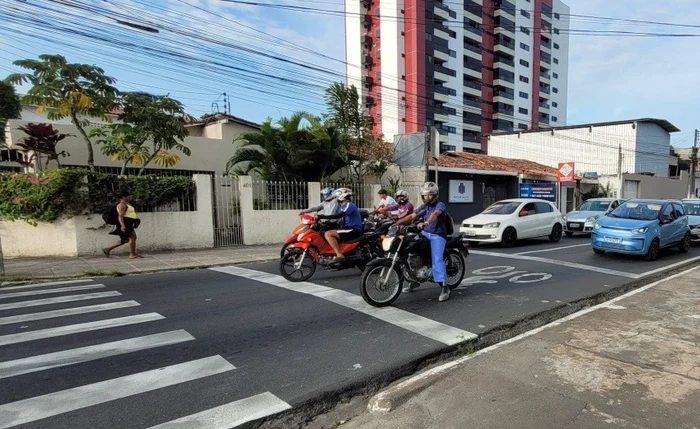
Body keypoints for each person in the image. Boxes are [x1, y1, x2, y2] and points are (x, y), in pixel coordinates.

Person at [396, 182, 450, 302]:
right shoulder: (424, 206)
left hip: (438, 235)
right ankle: (414, 280)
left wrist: (426, 223)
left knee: (437, 259)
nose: (427, 197)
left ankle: (445, 287)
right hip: (425, 234)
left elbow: (435, 214)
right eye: (425, 195)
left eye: (430, 195)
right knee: (411, 252)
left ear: (435, 195)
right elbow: (412, 216)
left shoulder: (440, 205)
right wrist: (398, 223)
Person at [316, 188, 364, 262]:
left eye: (336, 196)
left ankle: (339, 255)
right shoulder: (343, 206)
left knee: (328, 234)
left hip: (353, 229)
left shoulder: (349, 205)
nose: (335, 198)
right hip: (347, 228)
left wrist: (323, 216)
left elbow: (339, 215)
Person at [103, 190, 142, 259]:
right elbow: (120, 216)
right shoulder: (122, 205)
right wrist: (122, 225)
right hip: (125, 223)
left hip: (129, 223)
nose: (131, 197)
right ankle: (132, 254)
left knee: (126, 239)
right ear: (124, 197)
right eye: (129, 196)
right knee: (132, 238)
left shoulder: (127, 204)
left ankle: (108, 249)